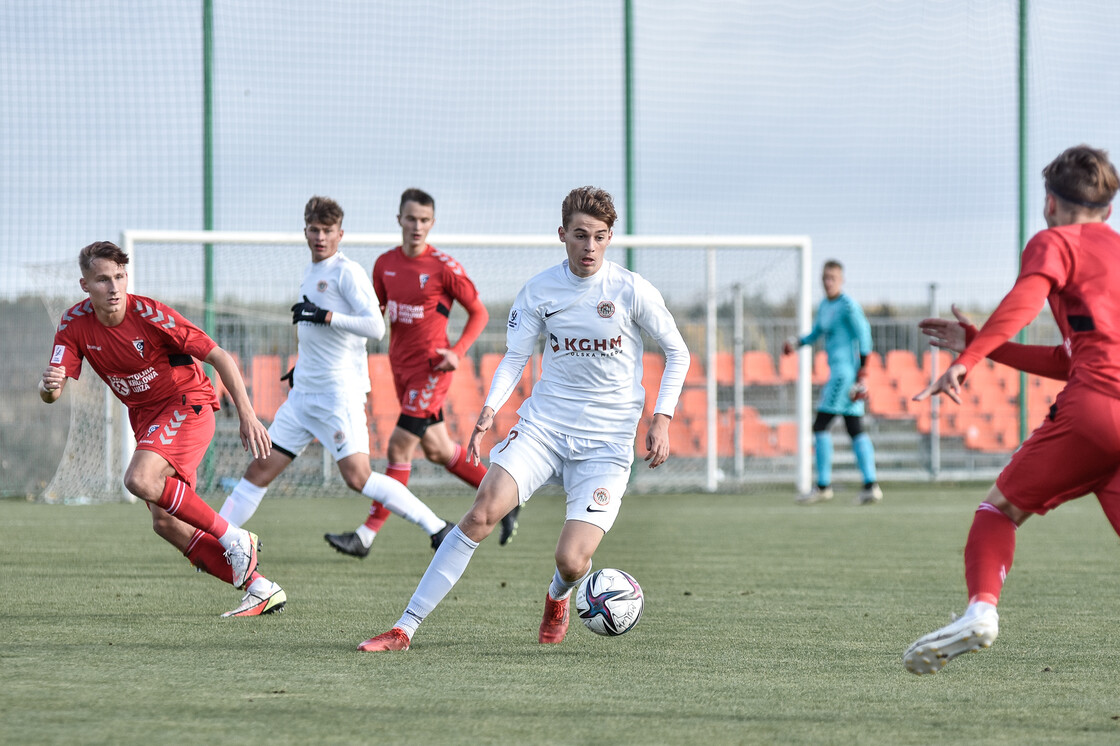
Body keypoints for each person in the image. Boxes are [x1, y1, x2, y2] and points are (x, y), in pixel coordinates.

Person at [355, 185, 690, 652]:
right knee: (481, 512)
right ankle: (404, 628)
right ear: (562, 235)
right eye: (579, 235)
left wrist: (662, 418)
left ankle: (558, 596)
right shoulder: (539, 290)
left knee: (572, 561)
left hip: (607, 444)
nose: (589, 246)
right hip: (545, 428)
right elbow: (515, 358)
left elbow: (678, 351)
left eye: (599, 236)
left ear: (610, 237)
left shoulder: (631, 289)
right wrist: (490, 408)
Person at [904, 144, 1120, 675]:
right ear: (1109, 210)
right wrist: (984, 343)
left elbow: (1024, 303)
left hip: (1095, 410)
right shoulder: (1115, 251)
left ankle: (981, 611)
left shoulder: (1054, 242)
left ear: (1050, 204)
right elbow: (1069, 356)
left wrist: (969, 358)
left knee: (997, 511)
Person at [40, 240, 282, 618]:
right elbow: (52, 393)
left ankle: (236, 538)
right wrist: (48, 386)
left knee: (138, 479)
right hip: (148, 420)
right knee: (165, 523)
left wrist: (248, 414)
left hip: (187, 404)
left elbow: (218, 355)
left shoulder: (150, 314)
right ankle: (260, 588)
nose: (115, 287)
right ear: (85, 284)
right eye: (103, 280)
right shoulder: (73, 324)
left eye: (120, 277)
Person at [218, 196, 453, 554]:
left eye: (328, 231)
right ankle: (214, 542)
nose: (320, 237)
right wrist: (303, 365)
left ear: (340, 233)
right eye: (314, 229)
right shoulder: (310, 272)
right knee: (258, 473)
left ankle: (438, 528)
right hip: (302, 398)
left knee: (358, 477)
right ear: (306, 231)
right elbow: (316, 333)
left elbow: (375, 326)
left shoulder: (347, 271)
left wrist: (327, 317)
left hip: (337, 396)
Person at [324, 188, 517, 559]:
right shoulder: (384, 264)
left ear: (432, 223)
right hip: (400, 369)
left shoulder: (444, 267)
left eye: (425, 220)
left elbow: (480, 313)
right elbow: (374, 316)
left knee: (398, 446)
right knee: (438, 448)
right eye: (411, 218)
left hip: (432, 371)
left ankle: (365, 536)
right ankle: (506, 498)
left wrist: (457, 353)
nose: (417, 226)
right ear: (399, 219)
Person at [781, 260, 882, 505]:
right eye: (825, 278)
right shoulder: (826, 305)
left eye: (832, 278)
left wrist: (864, 372)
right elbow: (816, 332)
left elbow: (865, 336)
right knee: (854, 427)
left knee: (820, 425)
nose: (827, 282)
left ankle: (823, 485)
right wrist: (797, 343)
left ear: (841, 279)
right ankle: (871, 485)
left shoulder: (848, 306)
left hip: (844, 376)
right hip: (840, 374)